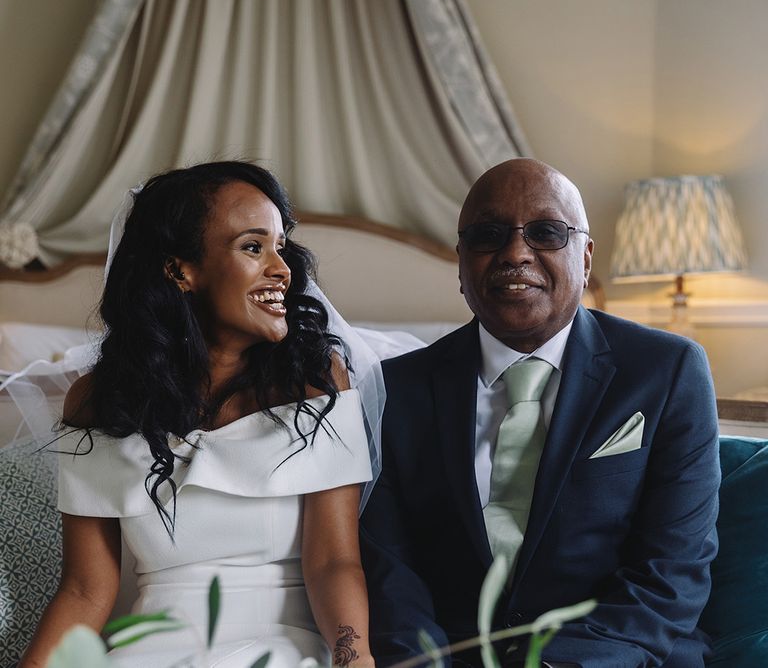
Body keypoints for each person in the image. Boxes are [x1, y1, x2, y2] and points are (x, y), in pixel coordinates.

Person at [360, 158, 721, 667]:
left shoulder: (667, 371)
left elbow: (671, 573)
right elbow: (392, 573)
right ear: (461, 262)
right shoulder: (395, 389)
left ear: (587, 256)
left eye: (546, 233)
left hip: (617, 655)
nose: (514, 254)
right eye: (488, 235)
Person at [21, 161, 378, 668]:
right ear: (179, 270)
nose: (282, 269)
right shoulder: (97, 402)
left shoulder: (316, 382)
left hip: (283, 647)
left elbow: (334, 563)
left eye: (281, 246)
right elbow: (84, 590)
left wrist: (354, 660)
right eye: (253, 247)